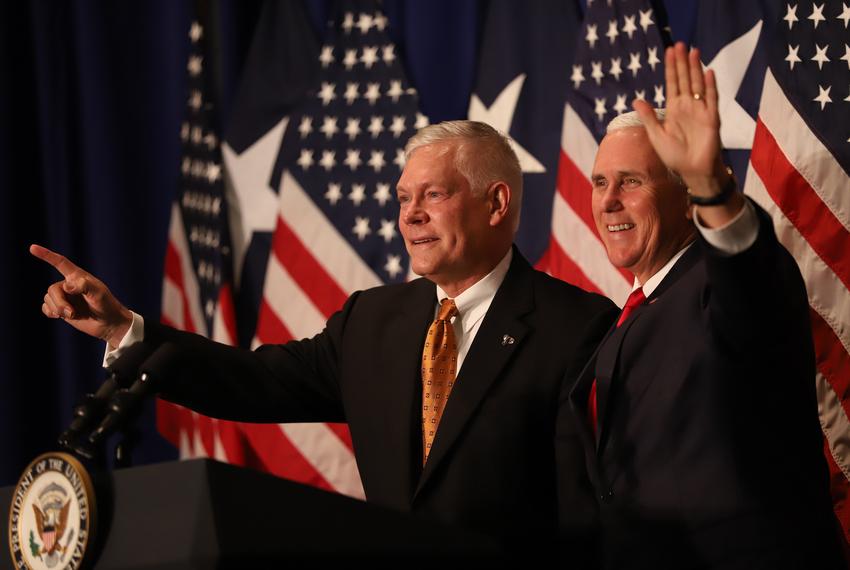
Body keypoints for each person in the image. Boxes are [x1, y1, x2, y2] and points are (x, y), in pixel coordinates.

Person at [33, 120, 617, 555]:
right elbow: (254, 381)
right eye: (403, 198)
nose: (410, 215)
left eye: (433, 195)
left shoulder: (576, 326)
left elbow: (586, 512)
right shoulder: (373, 320)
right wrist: (123, 329)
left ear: (496, 203)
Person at [569, 42, 842, 568]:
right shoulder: (628, 317)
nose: (607, 201)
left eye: (631, 182)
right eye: (600, 182)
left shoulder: (726, 286)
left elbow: (749, 280)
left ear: (683, 194)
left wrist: (710, 186)